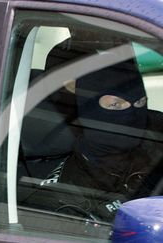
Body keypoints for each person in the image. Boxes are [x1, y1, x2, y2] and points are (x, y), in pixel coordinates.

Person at [34, 57, 155, 221]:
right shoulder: (62, 196)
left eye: (140, 102)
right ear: (88, 110)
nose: (133, 114)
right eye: (115, 105)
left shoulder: (156, 146)